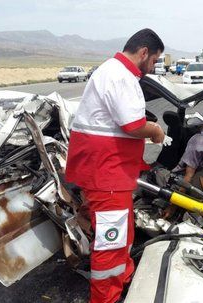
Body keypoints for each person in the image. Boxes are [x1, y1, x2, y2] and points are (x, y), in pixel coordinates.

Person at [65, 29, 165, 303]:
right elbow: (133, 125)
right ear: (144, 52)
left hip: (110, 172)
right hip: (106, 173)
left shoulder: (114, 71)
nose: (153, 66)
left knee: (122, 234)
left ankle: (123, 278)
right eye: (155, 60)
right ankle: (106, 297)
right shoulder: (120, 75)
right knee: (111, 243)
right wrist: (155, 130)